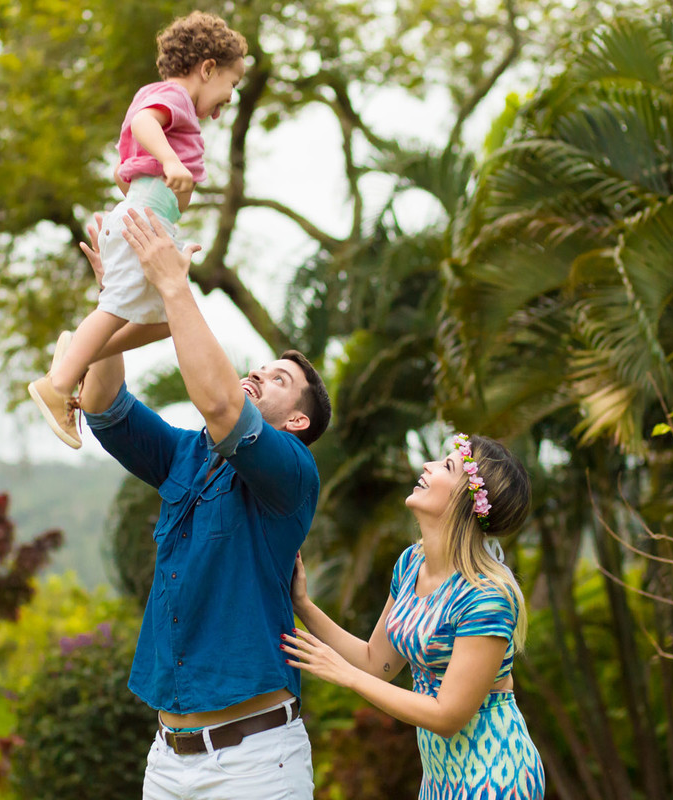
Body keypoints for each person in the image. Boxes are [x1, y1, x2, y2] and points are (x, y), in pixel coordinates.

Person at [76, 206, 332, 799]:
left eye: (277, 379)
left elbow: (222, 408)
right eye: (260, 366)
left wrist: (173, 285)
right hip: (168, 761)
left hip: (256, 764)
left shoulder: (293, 473)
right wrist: (114, 298)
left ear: (295, 419)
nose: (257, 374)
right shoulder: (185, 455)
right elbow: (102, 401)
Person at [282, 433, 546, 799]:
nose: (428, 465)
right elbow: (377, 663)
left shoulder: (486, 597)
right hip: (439, 774)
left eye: (447, 466)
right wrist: (304, 606)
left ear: (467, 502)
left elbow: (447, 715)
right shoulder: (411, 565)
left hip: (494, 773)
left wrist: (346, 676)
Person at [28, 11, 248, 448]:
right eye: (231, 84)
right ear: (207, 69)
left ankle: (78, 356)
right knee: (114, 308)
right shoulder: (174, 98)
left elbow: (122, 169)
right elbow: (146, 125)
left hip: (146, 215)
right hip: (145, 219)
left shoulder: (172, 104)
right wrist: (169, 161)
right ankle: (58, 385)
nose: (228, 101)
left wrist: (149, 177)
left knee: (169, 318)